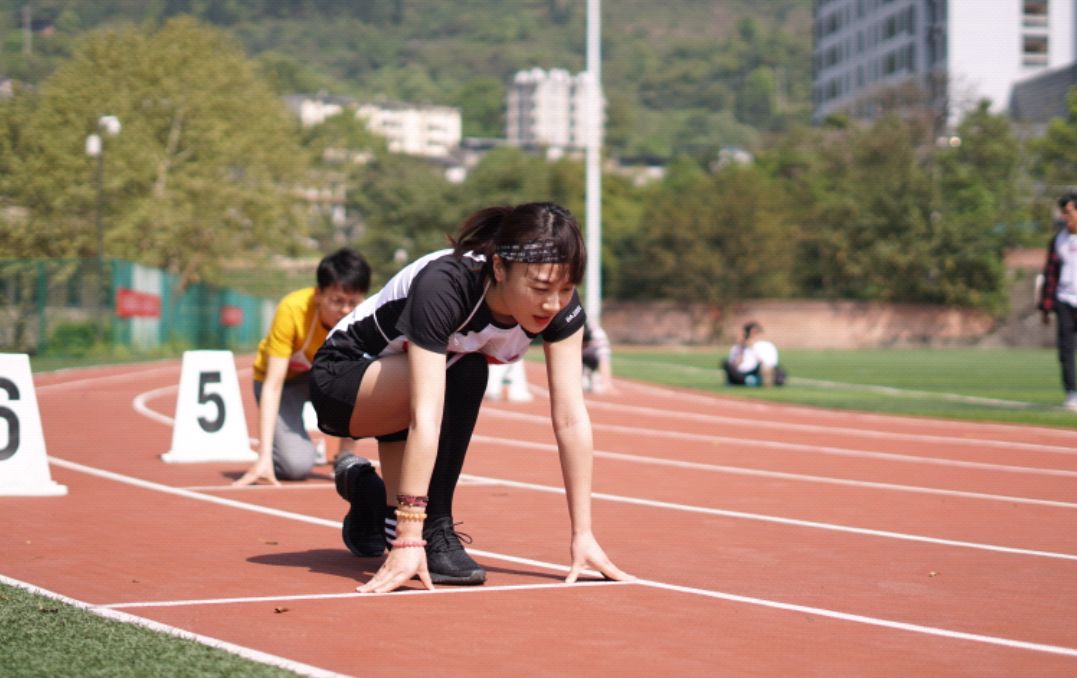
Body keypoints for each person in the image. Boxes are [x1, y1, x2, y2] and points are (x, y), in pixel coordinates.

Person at [310, 202, 632, 592]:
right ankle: (435, 525)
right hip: (342, 382)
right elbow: (426, 416)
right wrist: (413, 538)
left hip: (402, 389)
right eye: (540, 288)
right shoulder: (447, 284)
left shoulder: (559, 307)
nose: (553, 303)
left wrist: (583, 534)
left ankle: (367, 491)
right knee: (466, 367)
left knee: (459, 366)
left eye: (565, 289)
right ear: (498, 268)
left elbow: (571, 418)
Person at [234, 248, 371, 486]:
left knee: (364, 378)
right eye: (337, 301)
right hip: (285, 383)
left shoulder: (364, 317)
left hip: (325, 379)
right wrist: (263, 455)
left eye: (353, 302)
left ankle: (345, 455)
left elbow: (358, 381)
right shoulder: (292, 309)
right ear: (318, 295)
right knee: (296, 467)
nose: (346, 311)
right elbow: (273, 385)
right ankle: (285, 451)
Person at [1037, 193, 1077, 412]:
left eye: (1069, 212)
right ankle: (1072, 393)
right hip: (1064, 299)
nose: (1065, 217)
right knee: (1066, 349)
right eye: (1063, 212)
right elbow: (1050, 274)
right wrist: (1045, 306)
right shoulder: (1058, 240)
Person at [721, 321, 785, 387]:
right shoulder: (738, 348)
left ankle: (754, 381)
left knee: (778, 373)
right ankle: (751, 381)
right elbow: (735, 365)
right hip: (743, 373)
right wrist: (742, 348)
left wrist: (752, 348)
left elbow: (768, 364)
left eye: (755, 333)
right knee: (726, 363)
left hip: (758, 371)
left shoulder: (766, 345)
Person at [581, 320, 615, 394]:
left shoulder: (598, 334)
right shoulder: (569, 332)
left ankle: (590, 373)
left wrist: (607, 383)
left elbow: (604, 358)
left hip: (590, 356)